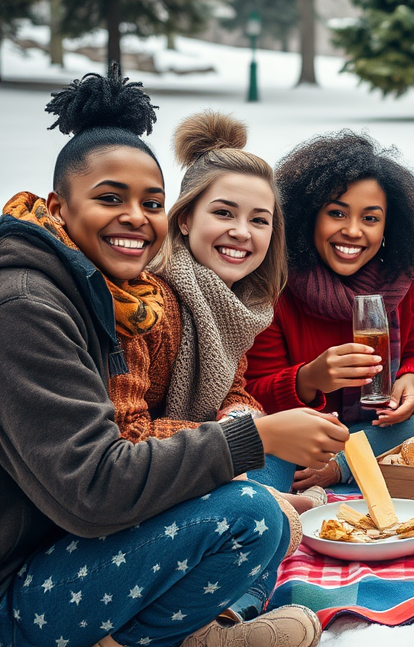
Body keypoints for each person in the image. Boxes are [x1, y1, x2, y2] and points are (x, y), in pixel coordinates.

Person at [0, 67, 336, 647]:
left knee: (261, 497)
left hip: (60, 542)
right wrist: (253, 437)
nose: (135, 216)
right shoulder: (28, 306)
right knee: (254, 512)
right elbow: (99, 482)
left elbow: (225, 392)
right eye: (110, 198)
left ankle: (211, 621)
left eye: (148, 201)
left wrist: (243, 427)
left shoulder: (122, 292)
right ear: (59, 206)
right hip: (21, 590)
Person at [106, 111, 340, 620]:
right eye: (224, 213)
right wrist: (243, 438)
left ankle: (239, 600)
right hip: (131, 486)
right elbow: (124, 440)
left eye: (259, 220)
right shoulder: (146, 300)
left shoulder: (234, 306)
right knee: (265, 472)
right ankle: (230, 595)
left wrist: (243, 422)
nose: (242, 232)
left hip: (198, 451)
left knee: (275, 459)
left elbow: (235, 388)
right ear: (185, 218)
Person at [246, 132, 414, 488]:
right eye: (337, 213)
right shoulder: (276, 283)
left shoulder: (408, 276)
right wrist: (309, 378)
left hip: (377, 426)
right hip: (300, 428)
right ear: (309, 216)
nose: (353, 231)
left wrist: (409, 382)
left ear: (390, 226)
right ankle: (355, 458)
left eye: (370, 219)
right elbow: (255, 390)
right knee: (262, 458)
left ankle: (341, 465)